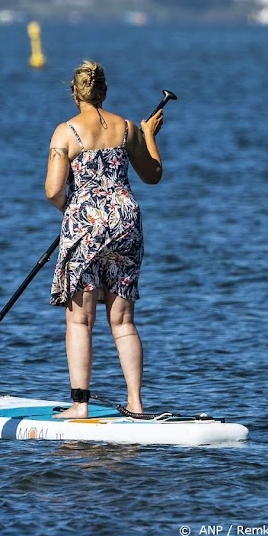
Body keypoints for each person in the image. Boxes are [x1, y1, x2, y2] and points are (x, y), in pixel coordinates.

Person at [44, 59, 164, 419]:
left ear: (74, 93)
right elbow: (153, 175)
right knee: (123, 321)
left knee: (80, 320)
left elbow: (52, 190)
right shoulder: (127, 128)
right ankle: (136, 403)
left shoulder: (66, 132)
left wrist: (74, 210)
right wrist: (150, 137)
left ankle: (80, 405)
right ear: (104, 91)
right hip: (127, 221)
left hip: (86, 224)